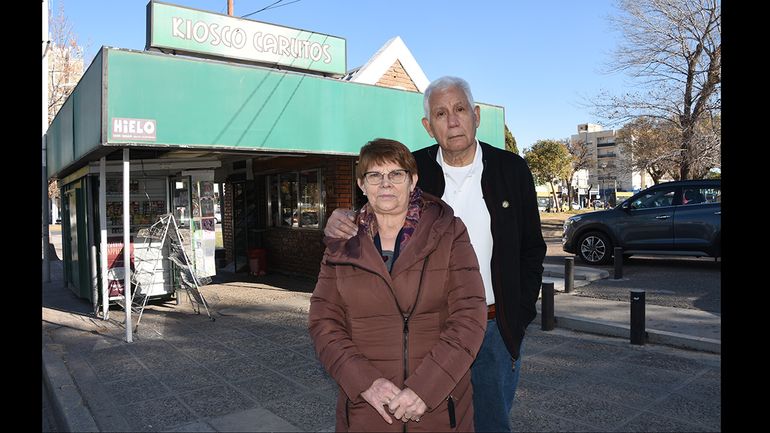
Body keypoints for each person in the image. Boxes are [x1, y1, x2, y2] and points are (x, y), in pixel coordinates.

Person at [324, 77, 547, 432]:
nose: (453, 120)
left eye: (460, 110)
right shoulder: (413, 169)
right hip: (426, 331)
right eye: (440, 114)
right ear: (428, 126)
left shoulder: (512, 170)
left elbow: (532, 250)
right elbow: (369, 214)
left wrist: (517, 316)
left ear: (476, 116)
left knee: (492, 424)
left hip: (493, 327)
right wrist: (338, 218)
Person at [309, 138, 487, 432]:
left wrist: (425, 388)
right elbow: (323, 323)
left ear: (413, 180)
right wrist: (366, 382)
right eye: (374, 175)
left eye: (396, 174)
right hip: (368, 410)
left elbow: (469, 316)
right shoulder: (341, 244)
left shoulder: (449, 232)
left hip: (440, 408)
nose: (386, 184)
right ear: (361, 184)